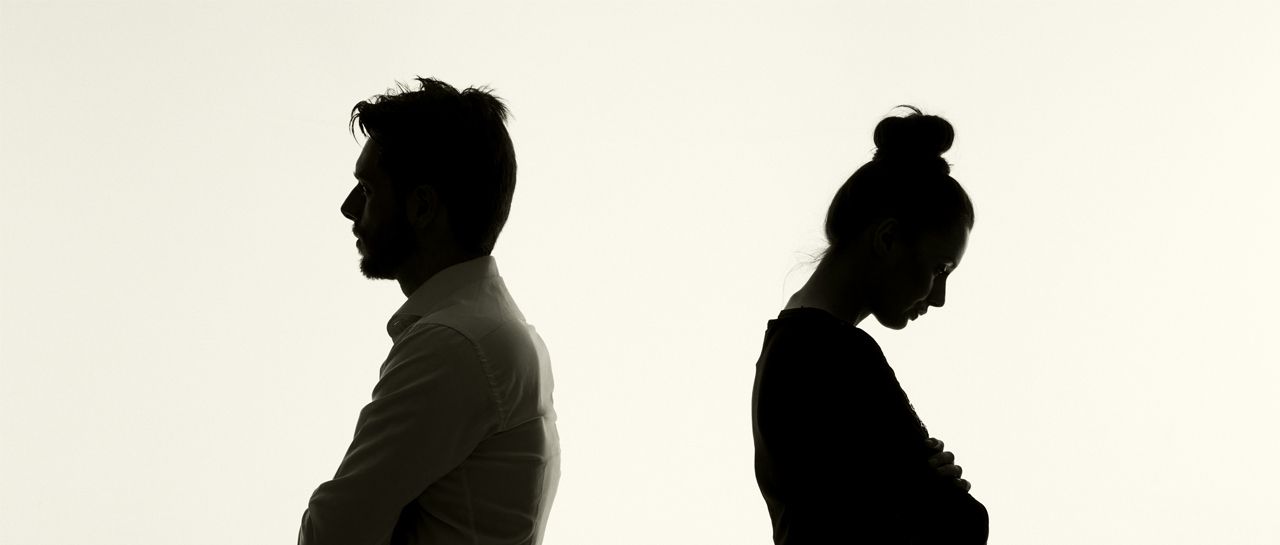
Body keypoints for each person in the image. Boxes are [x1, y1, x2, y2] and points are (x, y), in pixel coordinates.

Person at [298, 77, 560, 545]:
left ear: (421, 207)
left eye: (368, 189)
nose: (348, 207)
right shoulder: (495, 334)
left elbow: (334, 532)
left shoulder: (454, 345)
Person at [751, 107, 989, 543]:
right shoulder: (836, 355)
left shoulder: (786, 346)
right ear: (888, 239)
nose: (939, 298)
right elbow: (960, 522)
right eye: (939, 269)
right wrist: (931, 492)